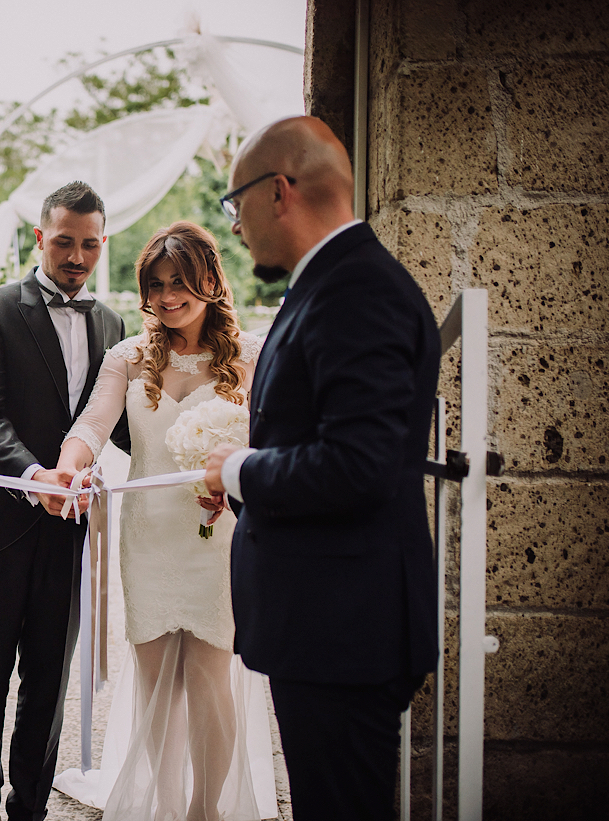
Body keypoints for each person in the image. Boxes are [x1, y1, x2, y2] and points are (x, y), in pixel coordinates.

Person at [202, 116, 441, 821]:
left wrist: (239, 470)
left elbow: (358, 465)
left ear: (279, 191)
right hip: (327, 625)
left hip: (344, 630)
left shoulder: (357, 289)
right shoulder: (333, 283)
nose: (236, 225)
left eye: (236, 202)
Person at [48, 221, 272, 821]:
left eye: (180, 282)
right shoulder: (129, 357)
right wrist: (69, 466)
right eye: (156, 284)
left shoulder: (252, 356)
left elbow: (273, 441)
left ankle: (205, 810)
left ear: (210, 280)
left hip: (218, 538)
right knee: (156, 686)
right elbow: (92, 425)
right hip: (148, 538)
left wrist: (238, 481)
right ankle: (167, 807)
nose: (168, 296)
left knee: (209, 678)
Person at [0, 180, 131, 821]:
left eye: (89, 245)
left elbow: (120, 423)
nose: (77, 257)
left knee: (49, 680)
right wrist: (35, 477)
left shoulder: (113, 324)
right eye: (64, 242)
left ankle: (29, 809)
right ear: (39, 238)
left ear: (102, 243)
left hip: (70, 531)